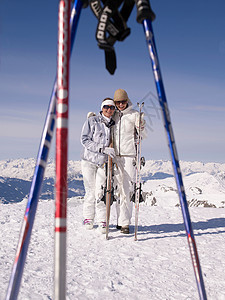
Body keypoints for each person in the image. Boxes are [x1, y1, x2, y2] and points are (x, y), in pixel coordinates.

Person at [113, 89, 146, 234]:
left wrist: (141, 124)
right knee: (117, 190)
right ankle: (120, 220)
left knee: (126, 189)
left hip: (129, 155)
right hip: (114, 156)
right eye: (118, 102)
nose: (121, 104)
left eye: (123, 101)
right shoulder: (113, 116)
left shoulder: (134, 115)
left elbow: (143, 136)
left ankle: (125, 223)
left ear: (127, 101)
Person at [80, 98, 116, 233]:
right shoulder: (92, 121)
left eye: (112, 108)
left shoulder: (113, 124)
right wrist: (102, 148)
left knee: (101, 192)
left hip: (103, 163)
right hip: (89, 161)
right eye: (106, 107)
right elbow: (84, 140)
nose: (109, 110)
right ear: (102, 108)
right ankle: (88, 218)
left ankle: (103, 220)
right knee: (90, 191)